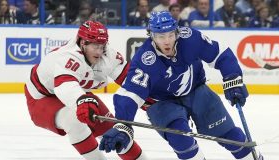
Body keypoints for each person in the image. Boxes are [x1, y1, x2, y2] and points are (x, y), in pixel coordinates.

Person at [99, 11, 264, 160]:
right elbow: (130, 94)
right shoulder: (145, 59)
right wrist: (123, 125)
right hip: (163, 102)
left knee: (230, 135)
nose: (167, 41)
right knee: (181, 141)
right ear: (151, 36)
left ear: (177, 31)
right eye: (161, 36)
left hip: (196, 91)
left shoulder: (190, 38)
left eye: (171, 35)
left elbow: (220, 54)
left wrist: (233, 78)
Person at [24, 20, 147, 160]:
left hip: (76, 93)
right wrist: (81, 101)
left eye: (102, 46)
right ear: (83, 43)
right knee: (73, 121)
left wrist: (146, 96)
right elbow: (65, 85)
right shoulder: (67, 57)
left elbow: (129, 79)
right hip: (41, 98)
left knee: (117, 131)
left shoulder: (107, 54)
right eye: (95, 46)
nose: (100, 51)